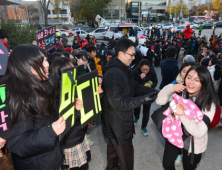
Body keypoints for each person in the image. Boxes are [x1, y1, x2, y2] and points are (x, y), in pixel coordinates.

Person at [3, 44, 66, 170]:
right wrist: (50, 131)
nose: (47, 64)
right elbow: (16, 144)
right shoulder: (18, 99)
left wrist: (75, 109)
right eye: (40, 62)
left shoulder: (48, 86)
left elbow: (56, 116)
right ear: (25, 66)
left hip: (53, 158)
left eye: (46, 59)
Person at [101, 39, 157, 170]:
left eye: (134, 54)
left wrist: (154, 92)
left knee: (113, 157)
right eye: (131, 55)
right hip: (118, 124)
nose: (133, 57)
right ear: (120, 54)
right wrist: (143, 100)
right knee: (126, 161)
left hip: (117, 122)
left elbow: (134, 86)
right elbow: (118, 102)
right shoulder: (115, 73)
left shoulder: (122, 68)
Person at [156, 65, 219, 170]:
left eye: (196, 80)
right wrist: (170, 88)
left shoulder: (208, 102)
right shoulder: (180, 91)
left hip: (192, 142)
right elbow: (160, 101)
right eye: (188, 77)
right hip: (174, 134)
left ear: (204, 82)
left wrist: (183, 115)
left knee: (189, 167)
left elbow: (200, 131)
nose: (190, 82)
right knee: (167, 164)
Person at [50, 57, 92, 170]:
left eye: (72, 67)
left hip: (79, 134)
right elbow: (63, 121)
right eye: (68, 69)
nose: (73, 71)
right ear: (59, 73)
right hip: (70, 140)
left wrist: (96, 94)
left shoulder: (74, 85)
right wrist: (76, 110)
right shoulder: (55, 95)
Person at [132, 59, 158, 136]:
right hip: (138, 94)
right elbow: (133, 83)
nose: (145, 71)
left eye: (147, 69)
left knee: (146, 112)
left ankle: (144, 127)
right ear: (140, 68)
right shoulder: (135, 72)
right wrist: (139, 77)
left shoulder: (152, 72)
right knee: (137, 108)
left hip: (148, 94)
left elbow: (155, 81)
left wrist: (151, 86)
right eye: (143, 69)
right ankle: (136, 118)